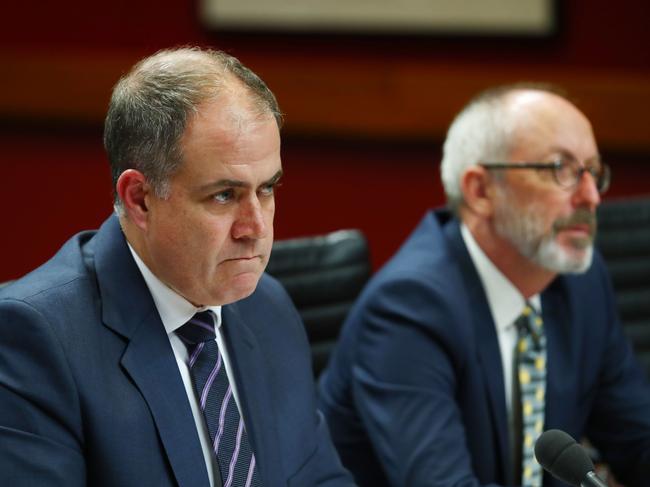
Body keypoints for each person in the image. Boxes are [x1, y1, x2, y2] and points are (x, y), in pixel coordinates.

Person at [0, 47, 355, 487]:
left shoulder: (269, 308)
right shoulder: (35, 338)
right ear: (140, 199)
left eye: (266, 189)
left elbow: (319, 478)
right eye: (224, 195)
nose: (256, 228)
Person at [318, 84, 650, 487]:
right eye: (560, 169)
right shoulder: (409, 306)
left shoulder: (580, 280)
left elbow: (637, 437)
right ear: (480, 191)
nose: (591, 196)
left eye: (594, 172)